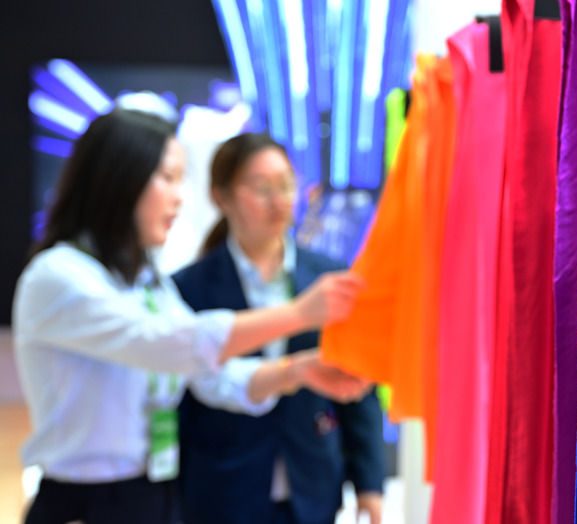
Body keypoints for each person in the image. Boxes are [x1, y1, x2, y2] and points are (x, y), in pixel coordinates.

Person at [12, 110, 366, 524]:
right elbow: (169, 343)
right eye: (168, 178)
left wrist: (297, 370)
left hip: (154, 493)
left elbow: (213, 376)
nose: (179, 198)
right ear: (120, 180)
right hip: (84, 501)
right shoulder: (59, 276)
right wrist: (298, 314)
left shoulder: (146, 282)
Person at [171, 132, 385, 524]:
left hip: (313, 484)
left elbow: (357, 386)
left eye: (286, 185)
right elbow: (186, 400)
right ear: (222, 197)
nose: (279, 201)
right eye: (262, 188)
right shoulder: (189, 288)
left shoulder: (328, 278)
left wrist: (369, 484)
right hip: (222, 489)